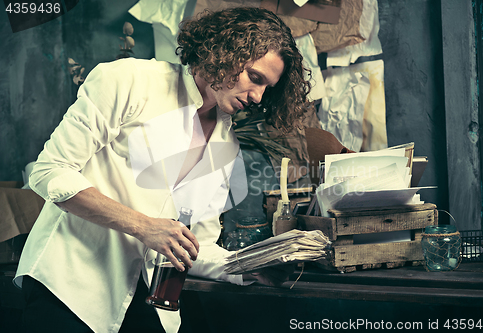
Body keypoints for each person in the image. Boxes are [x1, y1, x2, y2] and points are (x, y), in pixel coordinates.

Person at [15, 7, 311, 333]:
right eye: (255, 78)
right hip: (68, 288)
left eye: (267, 88)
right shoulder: (128, 80)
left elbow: (196, 243)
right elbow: (50, 170)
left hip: (147, 303)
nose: (257, 96)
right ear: (225, 53)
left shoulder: (226, 144)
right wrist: (144, 226)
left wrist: (247, 268)